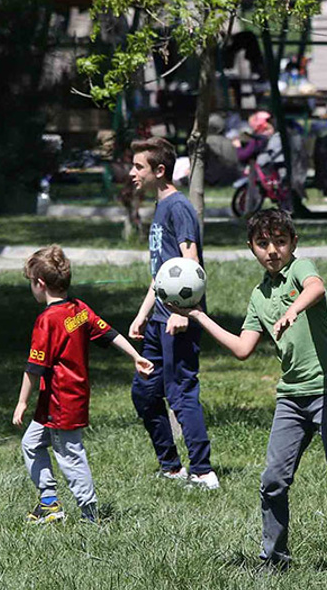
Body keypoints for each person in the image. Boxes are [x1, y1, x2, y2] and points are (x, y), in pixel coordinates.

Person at [170, 209, 327, 576]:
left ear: (293, 243)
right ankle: (274, 559)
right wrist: (198, 315)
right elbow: (243, 348)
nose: (272, 250)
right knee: (273, 480)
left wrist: (293, 310)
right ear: (251, 248)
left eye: (280, 242)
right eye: (263, 243)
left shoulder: (301, 269)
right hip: (291, 396)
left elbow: (316, 287)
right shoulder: (259, 296)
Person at [12, 246, 154, 524]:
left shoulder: (47, 320)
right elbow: (110, 332)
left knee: (69, 455)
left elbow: (34, 368)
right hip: (59, 400)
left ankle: (90, 513)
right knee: (31, 443)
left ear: (40, 284)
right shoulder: (78, 309)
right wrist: (135, 356)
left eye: (31, 282)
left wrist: (21, 402)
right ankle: (50, 504)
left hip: (61, 402)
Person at [126, 137, 218, 489]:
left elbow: (189, 265)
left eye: (139, 167)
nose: (133, 173)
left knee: (180, 391)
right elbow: (165, 273)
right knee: (145, 393)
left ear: (159, 170)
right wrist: (142, 313)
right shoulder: (161, 207)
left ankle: (203, 472)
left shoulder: (178, 208)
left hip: (178, 319)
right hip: (158, 318)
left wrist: (184, 311)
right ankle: (171, 468)